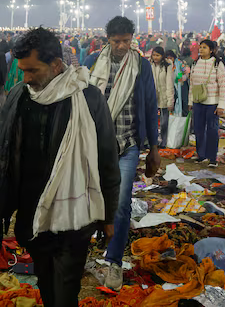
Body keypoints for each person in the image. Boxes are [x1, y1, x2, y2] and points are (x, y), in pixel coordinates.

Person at [0, 27, 120, 307]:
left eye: (32, 70)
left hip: (75, 215)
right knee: (44, 278)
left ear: (56, 65)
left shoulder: (89, 99)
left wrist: (108, 215)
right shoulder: (20, 96)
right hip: (32, 211)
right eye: (22, 70)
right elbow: (5, 157)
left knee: (66, 286)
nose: (26, 78)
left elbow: (107, 159)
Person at [84, 16, 159, 291]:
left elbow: (151, 106)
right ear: (108, 40)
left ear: (131, 39)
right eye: (116, 41)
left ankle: (114, 262)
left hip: (127, 145)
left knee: (121, 204)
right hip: (94, 145)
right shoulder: (94, 62)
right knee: (89, 198)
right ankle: (87, 249)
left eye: (126, 41)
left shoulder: (141, 65)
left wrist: (154, 147)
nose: (121, 46)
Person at [188, 39, 225, 167]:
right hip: (198, 102)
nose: (201, 49)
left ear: (211, 50)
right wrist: (190, 101)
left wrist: (221, 105)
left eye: (204, 47)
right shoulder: (195, 63)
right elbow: (192, 85)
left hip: (212, 103)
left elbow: (222, 85)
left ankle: (212, 158)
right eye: (200, 47)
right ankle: (201, 155)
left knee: (212, 130)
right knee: (198, 129)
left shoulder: (217, 64)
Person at [150, 47, 174, 148]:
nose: (155, 57)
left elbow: (169, 84)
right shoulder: (149, 65)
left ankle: (163, 141)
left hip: (164, 96)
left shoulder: (167, 66)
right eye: (154, 55)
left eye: (157, 55)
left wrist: (170, 101)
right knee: (152, 121)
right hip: (153, 97)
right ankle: (153, 141)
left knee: (164, 122)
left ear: (162, 56)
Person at [166, 50, 190, 117]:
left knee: (183, 102)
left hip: (181, 86)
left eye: (171, 58)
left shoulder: (179, 63)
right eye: (168, 58)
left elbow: (185, 72)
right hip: (171, 86)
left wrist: (181, 78)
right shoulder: (166, 65)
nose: (170, 60)